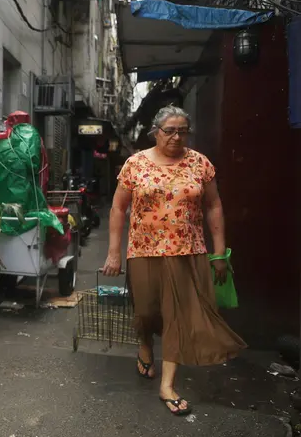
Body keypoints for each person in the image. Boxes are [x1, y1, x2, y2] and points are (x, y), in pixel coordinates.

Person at [102, 105, 246, 417]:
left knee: (176, 316)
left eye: (183, 130)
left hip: (187, 251)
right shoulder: (135, 164)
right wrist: (114, 251)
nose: (177, 136)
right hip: (143, 250)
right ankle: (144, 344)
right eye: (170, 130)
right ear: (156, 131)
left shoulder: (199, 163)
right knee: (147, 311)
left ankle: (167, 385)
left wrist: (219, 252)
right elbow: (117, 209)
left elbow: (214, 206)